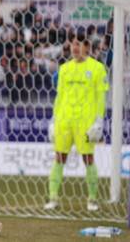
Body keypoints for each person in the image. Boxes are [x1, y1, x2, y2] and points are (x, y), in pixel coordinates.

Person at [44, 35, 108, 212]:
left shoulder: (97, 68)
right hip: (64, 121)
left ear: (87, 47)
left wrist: (99, 120)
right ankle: (53, 197)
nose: (75, 48)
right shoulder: (64, 69)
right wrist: (53, 119)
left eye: (79, 44)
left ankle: (92, 199)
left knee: (88, 159)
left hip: (85, 122)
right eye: (73, 44)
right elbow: (59, 97)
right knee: (59, 157)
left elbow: (101, 97)